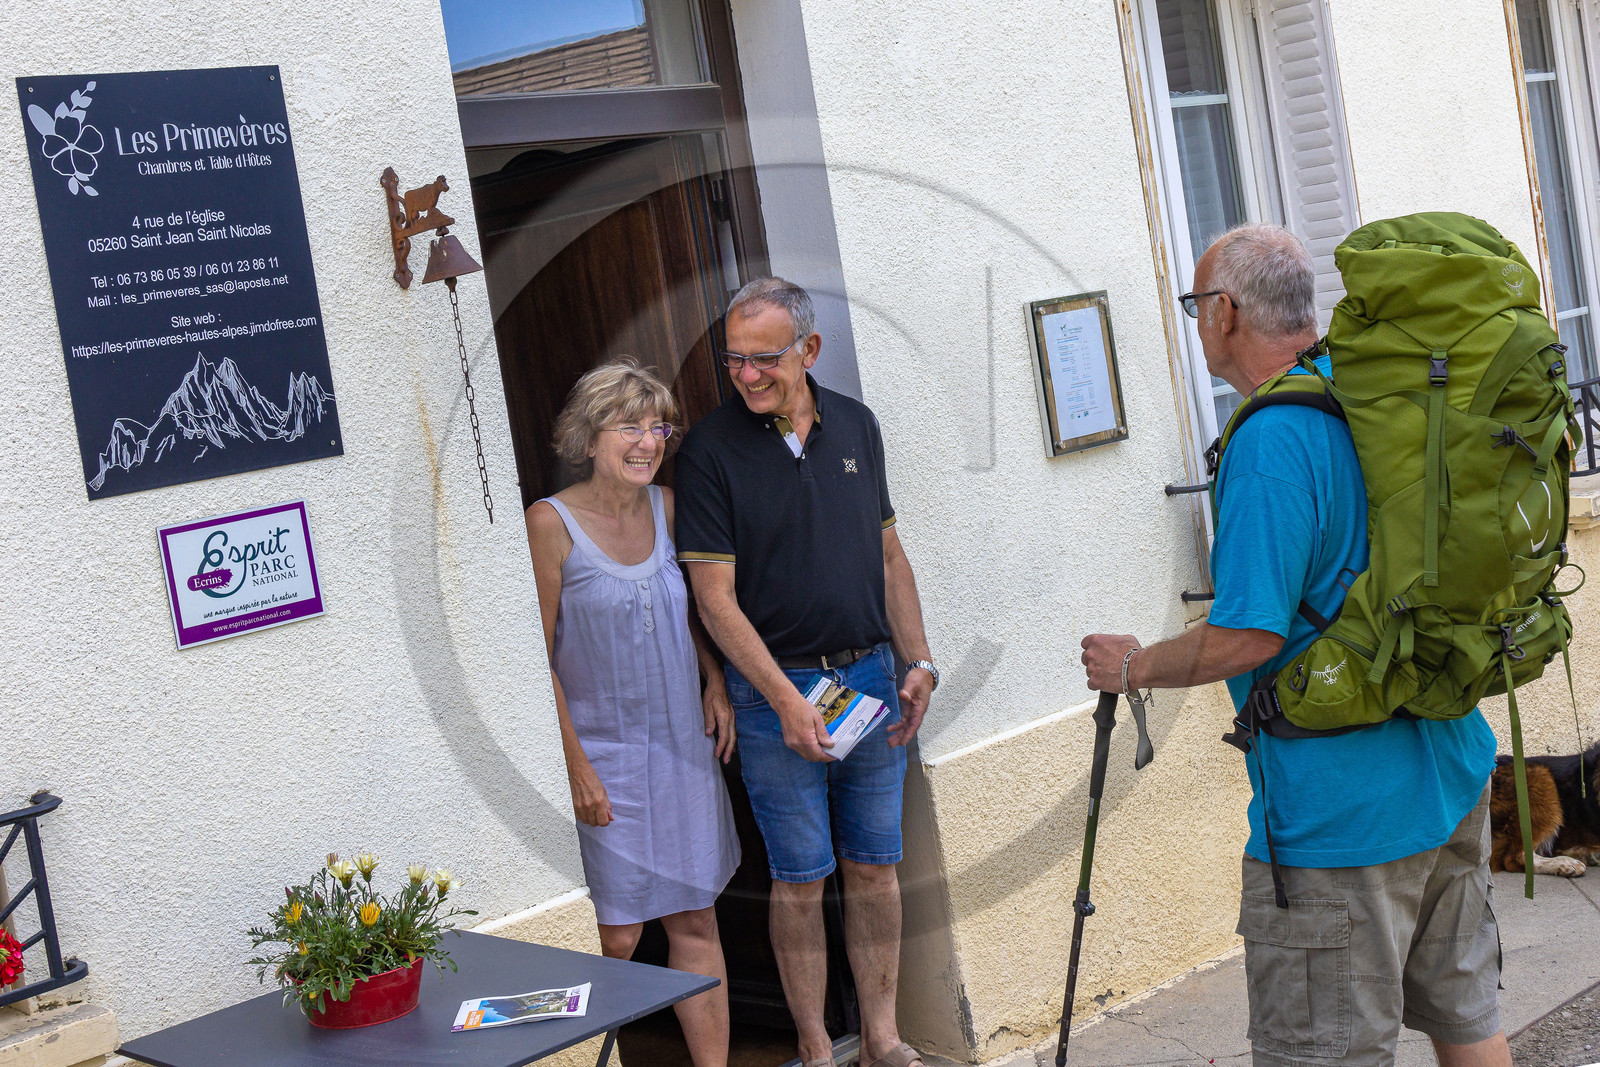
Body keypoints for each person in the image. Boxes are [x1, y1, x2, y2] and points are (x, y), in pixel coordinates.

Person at [1080, 225, 1506, 1067]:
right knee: (1469, 1024)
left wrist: (1133, 667)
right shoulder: (1376, 393)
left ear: (1225, 313)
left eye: (1196, 304)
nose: (1197, 320)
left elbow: (1248, 635)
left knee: (1323, 1054)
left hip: (1340, 818)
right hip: (1451, 770)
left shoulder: (1272, 439)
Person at [675, 277, 938, 1067]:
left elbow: (889, 554)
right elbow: (714, 600)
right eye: (734, 360)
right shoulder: (709, 452)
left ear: (809, 350)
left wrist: (918, 659)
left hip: (868, 678)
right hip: (769, 694)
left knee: (875, 864)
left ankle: (882, 1036)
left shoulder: (857, 424)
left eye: (765, 359)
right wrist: (786, 700)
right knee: (798, 875)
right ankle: (818, 1043)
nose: (748, 375)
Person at [525, 358, 740, 1067]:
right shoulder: (550, 525)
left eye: (658, 425)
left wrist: (714, 677)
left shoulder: (669, 508)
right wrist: (576, 764)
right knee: (615, 934)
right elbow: (536, 658)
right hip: (604, 755)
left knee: (694, 917)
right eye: (630, 425)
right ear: (590, 438)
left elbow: (695, 611)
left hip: (681, 745)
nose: (649, 440)